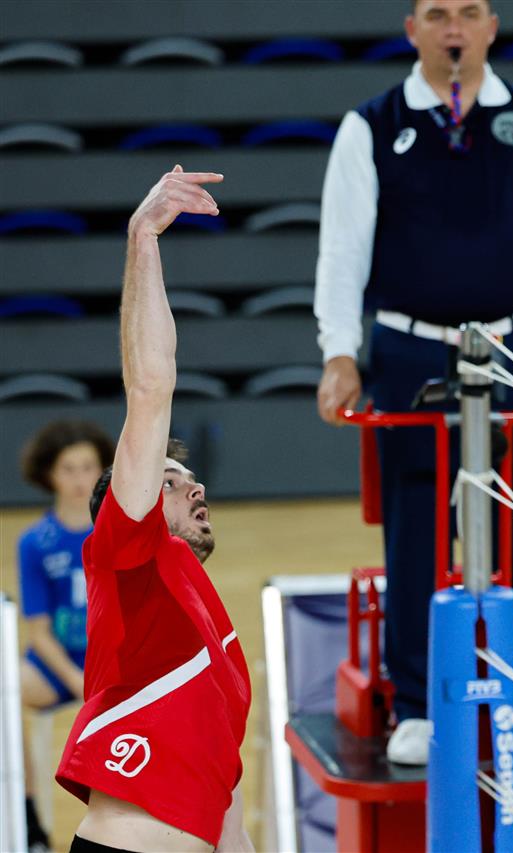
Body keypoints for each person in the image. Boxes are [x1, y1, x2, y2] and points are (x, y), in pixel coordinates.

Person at [313, 0, 513, 763]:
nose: (454, 28)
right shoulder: (369, 126)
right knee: (413, 530)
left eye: (469, 12)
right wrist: (339, 352)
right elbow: (341, 252)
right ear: (411, 28)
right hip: (410, 353)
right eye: (437, 14)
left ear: (491, 27)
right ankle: (418, 703)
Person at [54, 167, 252, 853]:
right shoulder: (128, 556)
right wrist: (143, 236)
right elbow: (150, 385)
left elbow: (226, 813)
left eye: (192, 480)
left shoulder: (221, 648)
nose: (195, 489)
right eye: (171, 480)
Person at [16, 419, 114, 851]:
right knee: (6, 694)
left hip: (112, 662)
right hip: (59, 666)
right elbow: (38, 631)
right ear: (49, 474)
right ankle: (28, 821)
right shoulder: (36, 542)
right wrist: (76, 679)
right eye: (68, 469)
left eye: (88, 467)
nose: (79, 480)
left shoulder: (117, 531)